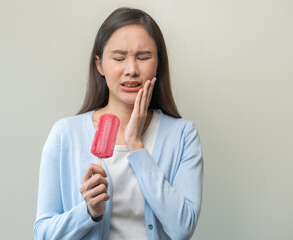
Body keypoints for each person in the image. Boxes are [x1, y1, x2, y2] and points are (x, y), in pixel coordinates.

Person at [33, 7, 203, 240]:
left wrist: (135, 144)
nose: (131, 70)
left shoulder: (183, 135)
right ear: (100, 64)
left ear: (158, 64)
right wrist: (88, 212)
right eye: (119, 58)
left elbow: (182, 228)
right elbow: (43, 233)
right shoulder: (65, 135)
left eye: (143, 58)